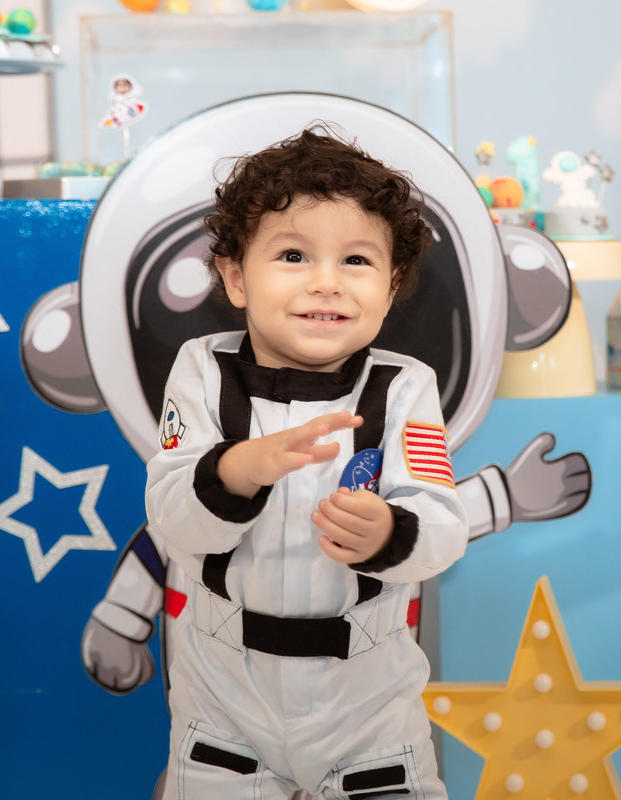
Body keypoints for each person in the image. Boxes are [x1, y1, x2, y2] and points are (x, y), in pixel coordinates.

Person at [145, 127, 468, 800]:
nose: (326, 283)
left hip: (368, 700)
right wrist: (241, 468)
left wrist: (389, 532)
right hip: (225, 695)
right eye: (293, 255)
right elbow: (174, 520)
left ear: (392, 285)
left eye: (356, 261)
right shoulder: (203, 370)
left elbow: (441, 527)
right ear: (236, 277)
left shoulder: (404, 387)